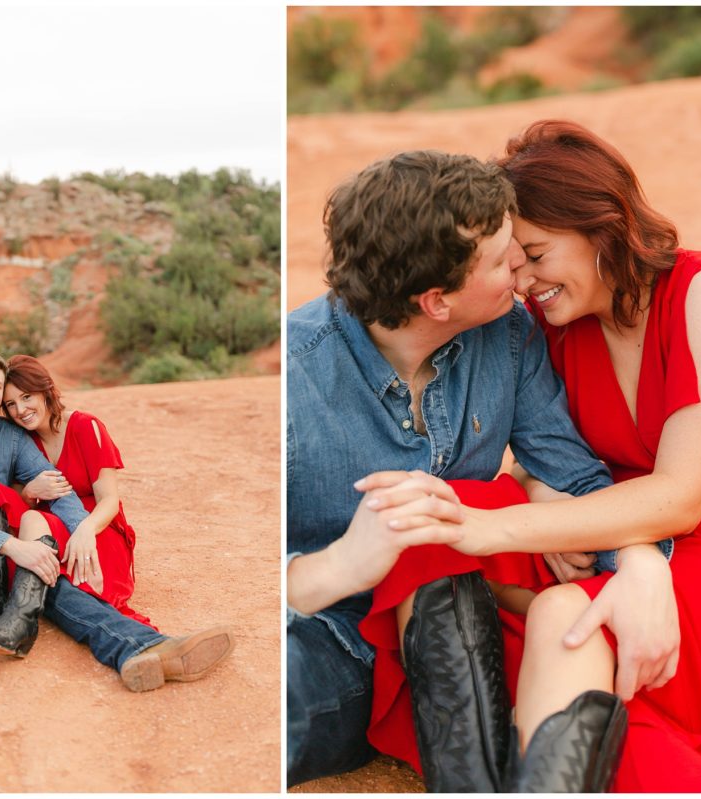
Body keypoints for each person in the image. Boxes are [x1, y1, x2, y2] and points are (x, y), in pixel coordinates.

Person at [360, 121, 701, 792]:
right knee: (428, 518)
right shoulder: (551, 322)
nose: (522, 279)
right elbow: (539, 461)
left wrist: (509, 529)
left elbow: (681, 496)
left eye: (535, 253)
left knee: (558, 611)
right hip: (609, 531)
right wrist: (541, 500)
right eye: (513, 261)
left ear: (599, 226)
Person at [286, 151, 676, 791]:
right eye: (503, 260)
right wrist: (340, 565)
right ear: (436, 300)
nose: (523, 263)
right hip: (334, 638)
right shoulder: (300, 378)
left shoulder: (509, 334)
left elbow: (573, 477)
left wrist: (640, 561)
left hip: (456, 632)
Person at [0, 349, 232, 709]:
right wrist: (11, 546)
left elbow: (59, 490)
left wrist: (82, 538)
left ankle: (141, 647)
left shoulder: (10, 438)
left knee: (44, 572)